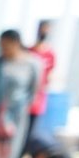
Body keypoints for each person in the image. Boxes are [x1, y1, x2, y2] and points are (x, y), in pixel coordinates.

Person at [24, 21, 56, 150]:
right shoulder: (29, 51)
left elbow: (49, 77)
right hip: (24, 99)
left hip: (38, 100)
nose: (44, 32)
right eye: (43, 29)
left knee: (31, 133)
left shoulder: (50, 54)